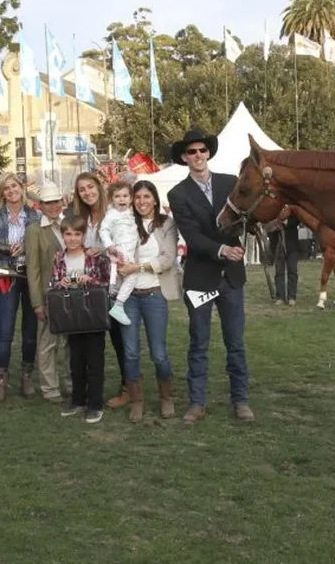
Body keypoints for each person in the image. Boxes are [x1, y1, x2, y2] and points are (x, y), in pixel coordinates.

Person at [166, 128, 254, 424]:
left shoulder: (231, 183)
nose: (198, 155)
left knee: (235, 342)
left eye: (202, 150)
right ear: (184, 157)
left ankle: (241, 400)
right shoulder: (178, 194)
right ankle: (197, 403)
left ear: (208, 153)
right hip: (200, 277)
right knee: (199, 342)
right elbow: (191, 235)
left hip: (231, 277)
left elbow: (245, 217)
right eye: (192, 152)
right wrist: (222, 250)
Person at [116, 180, 180, 422]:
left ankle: (166, 397)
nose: (142, 201)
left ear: (154, 199)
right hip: (129, 296)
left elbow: (167, 259)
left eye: (146, 196)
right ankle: (137, 400)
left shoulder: (166, 224)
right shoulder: (126, 224)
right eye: (137, 197)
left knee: (159, 352)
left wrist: (138, 267)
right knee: (131, 352)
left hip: (155, 293)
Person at [70, 172, 130, 408]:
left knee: (120, 339)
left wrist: (103, 251)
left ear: (99, 187)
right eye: (82, 189)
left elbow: (127, 245)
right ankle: (85, 391)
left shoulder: (115, 213)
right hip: (90, 288)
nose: (87, 192)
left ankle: (128, 386)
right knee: (91, 342)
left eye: (90, 187)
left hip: (114, 285)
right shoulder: (80, 218)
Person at [48, 214, 110, 424]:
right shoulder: (59, 258)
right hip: (71, 316)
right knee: (75, 360)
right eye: (68, 234)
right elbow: (52, 283)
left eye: (77, 234)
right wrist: (61, 283)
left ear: (84, 236)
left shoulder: (94, 257)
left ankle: (95, 404)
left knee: (94, 360)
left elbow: (106, 283)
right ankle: (78, 400)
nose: (72, 239)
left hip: (93, 315)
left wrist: (90, 280)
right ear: (63, 235)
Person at [0, 171, 41, 403]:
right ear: (1, 193)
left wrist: (26, 249)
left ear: (21, 188)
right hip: (6, 277)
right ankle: (1, 379)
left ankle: (27, 376)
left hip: (30, 277)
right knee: (5, 331)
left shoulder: (35, 215)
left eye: (14, 186)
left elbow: (40, 247)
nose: (11, 191)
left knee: (30, 332)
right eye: (6, 188)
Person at [25, 181, 71, 404]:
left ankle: (72, 383)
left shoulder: (69, 224)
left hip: (72, 294)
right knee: (48, 344)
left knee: (72, 343)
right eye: (48, 203)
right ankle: (50, 387)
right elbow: (32, 269)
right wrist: (37, 303)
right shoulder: (34, 230)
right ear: (40, 205)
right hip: (48, 295)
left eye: (56, 202)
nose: (53, 206)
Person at [99, 180, 140, 326]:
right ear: (112, 199)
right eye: (117, 196)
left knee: (121, 278)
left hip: (131, 250)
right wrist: (110, 245)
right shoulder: (111, 214)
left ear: (131, 198)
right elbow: (103, 230)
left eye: (125, 196)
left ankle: (114, 300)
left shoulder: (133, 212)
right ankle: (118, 305)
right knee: (131, 276)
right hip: (120, 250)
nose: (121, 199)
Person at [266, 205, 301, 306]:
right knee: (279, 272)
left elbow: (297, 220)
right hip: (279, 247)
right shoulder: (274, 210)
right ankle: (280, 297)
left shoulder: (292, 210)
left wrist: (285, 222)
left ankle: (292, 297)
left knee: (292, 271)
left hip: (292, 247)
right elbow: (270, 228)